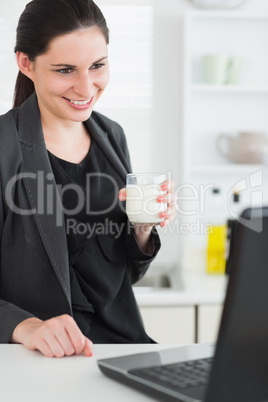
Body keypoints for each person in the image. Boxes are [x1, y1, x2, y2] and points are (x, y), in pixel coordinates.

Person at [0, 0, 175, 358]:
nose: (86, 87)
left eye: (97, 66)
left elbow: (122, 275)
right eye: (66, 70)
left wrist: (142, 227)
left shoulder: (112, 136)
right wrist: (25, 326)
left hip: (125, 350)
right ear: (25, 63)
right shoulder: (4, 146)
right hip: (47, 360)